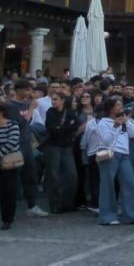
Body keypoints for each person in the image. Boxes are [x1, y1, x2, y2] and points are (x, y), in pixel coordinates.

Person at [95, 97, 134, 226]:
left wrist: (126, 122)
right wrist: (115, 126)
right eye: (117, 105)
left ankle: (131, 215)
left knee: (130, 183)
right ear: (110, 108)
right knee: (108, 185)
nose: (121, 107)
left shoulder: (124, 121)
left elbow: (133, 134)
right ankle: (107, 216)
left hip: (124, 155)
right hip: (110, 154)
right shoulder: (103, 122)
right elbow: (106, 141)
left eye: (121, 105)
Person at [8, 79, 46, 217]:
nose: (29, 93)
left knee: (30, 175)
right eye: (27, 90)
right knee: (11, 178)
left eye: (31, 90)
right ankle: (9, 207)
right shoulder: (10, 105)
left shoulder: (28, 103)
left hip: (26, 144)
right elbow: (21, 123)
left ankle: (32, 205)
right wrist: (31, 109)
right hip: (13, 145)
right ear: (19, 90)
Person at [43, 91, 79, 214]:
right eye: (52, 99)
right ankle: (55, 204)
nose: (53, 101)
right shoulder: (50, 112)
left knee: (71, 175)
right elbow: (50, 128)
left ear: (63, 100)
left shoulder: (70, 112)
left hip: (67, 147)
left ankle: (67, 203)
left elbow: (74, 126)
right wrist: (63, 129)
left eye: (56, 99)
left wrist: (60, 129)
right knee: (53, 175)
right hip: (53, 146)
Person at [0, 102, 20, 230]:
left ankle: (8, 218)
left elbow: (13, 141)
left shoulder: (12, 124)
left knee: (8, 191)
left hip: (8, 163)